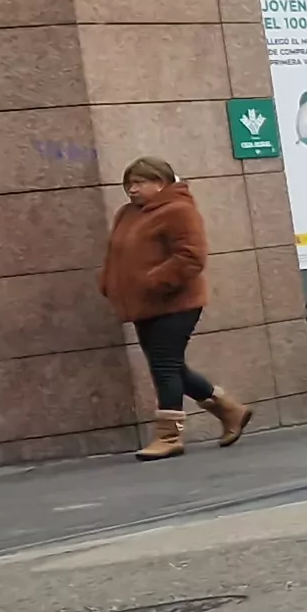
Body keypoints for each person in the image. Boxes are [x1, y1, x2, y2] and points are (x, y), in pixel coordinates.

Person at [97, 156, 249, 461]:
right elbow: (117, 254)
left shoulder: (179, 211)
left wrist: (154, 281)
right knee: (172, 366)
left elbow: (191, 257)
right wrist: (109, 282)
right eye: (128, 183)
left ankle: (169, 435)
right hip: (143, 305)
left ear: (161, 183)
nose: (132, 189)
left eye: (139, 183)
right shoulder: (127, 214)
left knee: (164, 366)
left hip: (176, 303)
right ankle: (230, 409)